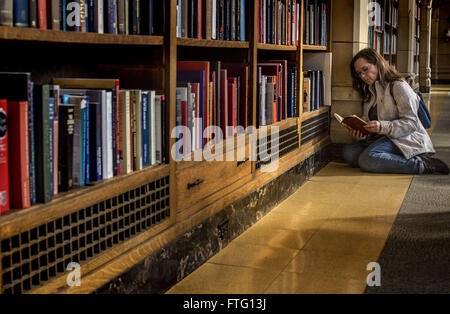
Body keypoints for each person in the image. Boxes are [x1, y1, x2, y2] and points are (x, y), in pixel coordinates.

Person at [342, 48, 449, 175]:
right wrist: (360, 130)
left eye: (365, 69)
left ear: (378, 63)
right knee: (349, 153)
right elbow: (368, 118)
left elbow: (411, 123)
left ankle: (423, 164)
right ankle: (387, 158)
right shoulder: (370, 90)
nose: (363, 76)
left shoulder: (398, 86)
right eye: (359, 73)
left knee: (367, 159)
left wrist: (382, 126)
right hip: (381, 137)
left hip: (403, 137)